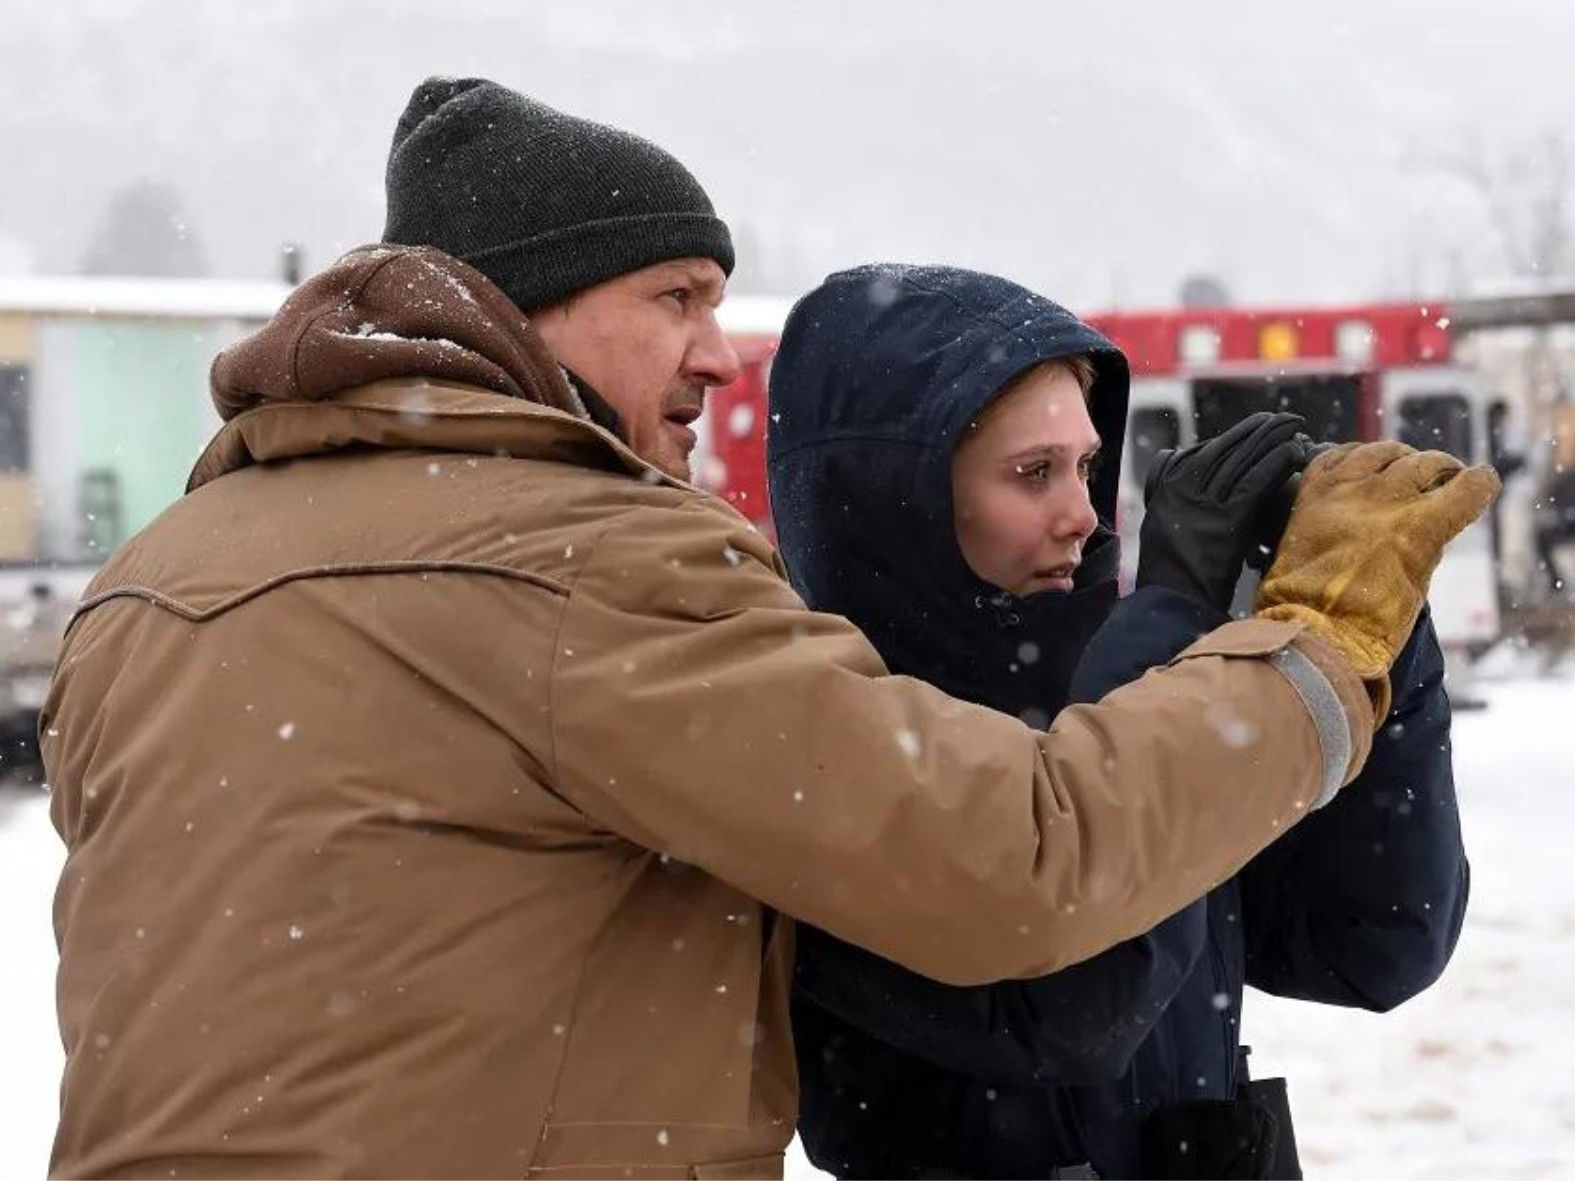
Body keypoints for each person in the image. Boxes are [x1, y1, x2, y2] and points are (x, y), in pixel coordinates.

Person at [41, 79, 1493, 1179]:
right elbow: (1035, 884)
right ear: (520, 308)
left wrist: (1373, 647)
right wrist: (1309, 632)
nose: (712, 351)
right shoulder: (588, 565)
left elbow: (1373, 935)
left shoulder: (158, 577)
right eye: (671, 296)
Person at [766, 263, 1474, 1179]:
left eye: (1087, 466)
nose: (1082, 514)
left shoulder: (1127, 686)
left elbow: (1372, 943)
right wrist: (1171, 616)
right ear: (887, 499)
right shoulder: (815, 733)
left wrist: (1369, 635)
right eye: (1033, 473)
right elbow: (1078, 1004)